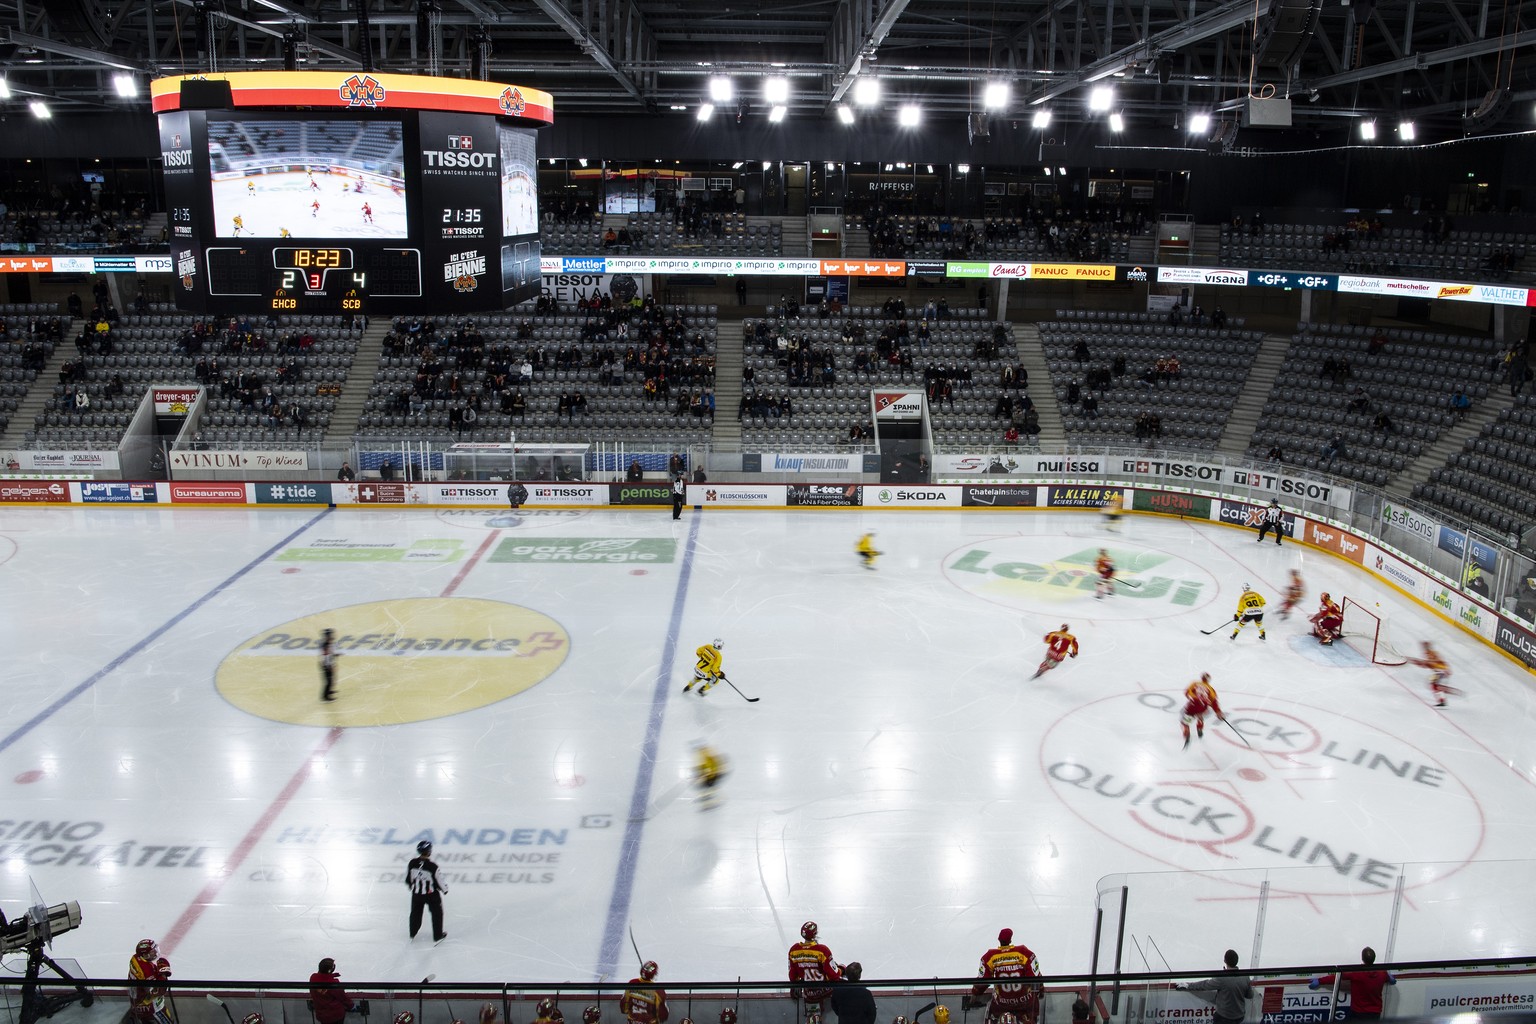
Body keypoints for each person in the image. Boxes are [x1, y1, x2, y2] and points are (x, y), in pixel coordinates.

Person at [963, 927, 1042, 1024]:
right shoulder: (1023, 952)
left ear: (999, 940)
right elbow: (1035, 976)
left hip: (1001, 1005)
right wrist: (1041, 988)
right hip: (1024, 1004)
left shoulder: (990, 956)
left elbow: (982, 982)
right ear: (1011, 940)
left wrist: (975, 993)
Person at [1309, 947, 1396, 1020]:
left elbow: (1337, 976)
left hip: (1358, 1014)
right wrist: (1391, 979)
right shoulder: (1382, 973)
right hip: (1375, 1014)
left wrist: (1320, 981)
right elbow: (1391, 980)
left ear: (1362, 959)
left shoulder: (1357, 973)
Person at [1173, 949, 1253, 1024]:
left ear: (1225, 960)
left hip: (1223, 1017)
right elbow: (1250, 995)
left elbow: (1205, 985)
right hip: (1239, 1017)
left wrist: (1188, 985)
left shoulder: (1222, 978)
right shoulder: (1245, 977)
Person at [788, 921, 842, 1012]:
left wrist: (794, 987)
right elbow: (834, 975)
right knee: (845, 977)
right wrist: (841, 969)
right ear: (815, 934)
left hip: (808, 993)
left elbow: (792, 975)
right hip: (824, 990)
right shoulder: (822, 950)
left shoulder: (794, 950)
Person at [406, 839, 447, 942]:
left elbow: (409, 878)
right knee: (437, 914)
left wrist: (412, 886)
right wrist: (445, 889)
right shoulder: (432, 867)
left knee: (415, 913)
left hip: (417, 894)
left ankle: (412, 932)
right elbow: (439, 880)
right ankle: (437, 935)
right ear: (429, 851)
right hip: (431, 895)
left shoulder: (412, 863)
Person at [129, 938, 173, 1024]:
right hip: (150, 1007)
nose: (155, 952)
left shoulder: (136, 958)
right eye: (152, 951)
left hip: (137, 1003)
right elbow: (159, 990)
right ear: (145, 954)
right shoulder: (146, 971)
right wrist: (163, 975)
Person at [1181, 673, 1225, 748]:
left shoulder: (1195, 683)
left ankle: (1187, 733)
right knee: (1200, 715)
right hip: (1203, 706)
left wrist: (1194, 698)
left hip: (1193, 704)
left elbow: (1187, 693)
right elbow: (1214, 702)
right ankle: (1199, 727)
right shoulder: (1211, 689)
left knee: (1185, 722)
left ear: (1202, 678)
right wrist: (1218, 711)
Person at [1410, 642, 1458, 708]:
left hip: (1441, 671)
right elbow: (1428, 664)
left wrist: (1419, 662)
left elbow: (1431, 663)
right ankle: (1443, 699)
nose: (1423, 648)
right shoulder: (1430, 653)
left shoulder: (1431, 653)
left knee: (1434, 685)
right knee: (1434, 685)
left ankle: (1444, 698)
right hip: (1441, 671)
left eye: (1424, 647)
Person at [309, 958, 354, 1024]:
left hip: (321, 1015)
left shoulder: (313, 977)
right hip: (335, 1015)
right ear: (329, 970)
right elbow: (343, 997)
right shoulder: (333, 983)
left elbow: (322, 978)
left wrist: (332, 975)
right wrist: (352, 1006)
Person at [694, 744, 728, 811]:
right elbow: (703, 766)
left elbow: (711, 767)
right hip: (711, 775)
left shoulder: (707, 756)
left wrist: (707, 774)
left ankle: (709, 802)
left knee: (707, 788)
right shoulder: (705, 755)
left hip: (713, 776)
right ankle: (707, 798)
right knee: (705, 787)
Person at [319, 628, 339, 702]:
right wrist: (329, 667)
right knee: (328, 682)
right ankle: (325, 697)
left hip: (329, 664)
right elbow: (325, 657)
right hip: (326, 665)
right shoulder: (325, 645)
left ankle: (329, 691)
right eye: (330, 635)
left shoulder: (329, 643)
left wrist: (335, 654)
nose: (332, 636)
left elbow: (330, 653)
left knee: (331, 680)